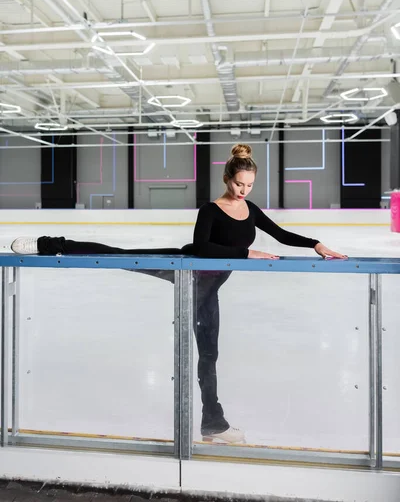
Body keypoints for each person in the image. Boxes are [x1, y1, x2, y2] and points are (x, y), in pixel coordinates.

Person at [11, 143, 347, 444]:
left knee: (209, 355)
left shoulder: (251, 210)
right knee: (118, 253)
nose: (243, 190)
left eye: (249, 185)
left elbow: (281, 234)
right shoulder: (211, 210)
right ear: (227, 179)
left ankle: (213, 423)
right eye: (238, 184)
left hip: (208, 288)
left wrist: (316, 244)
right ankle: (47, 244)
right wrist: (246, 254)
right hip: (185, 265)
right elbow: (202, 246)